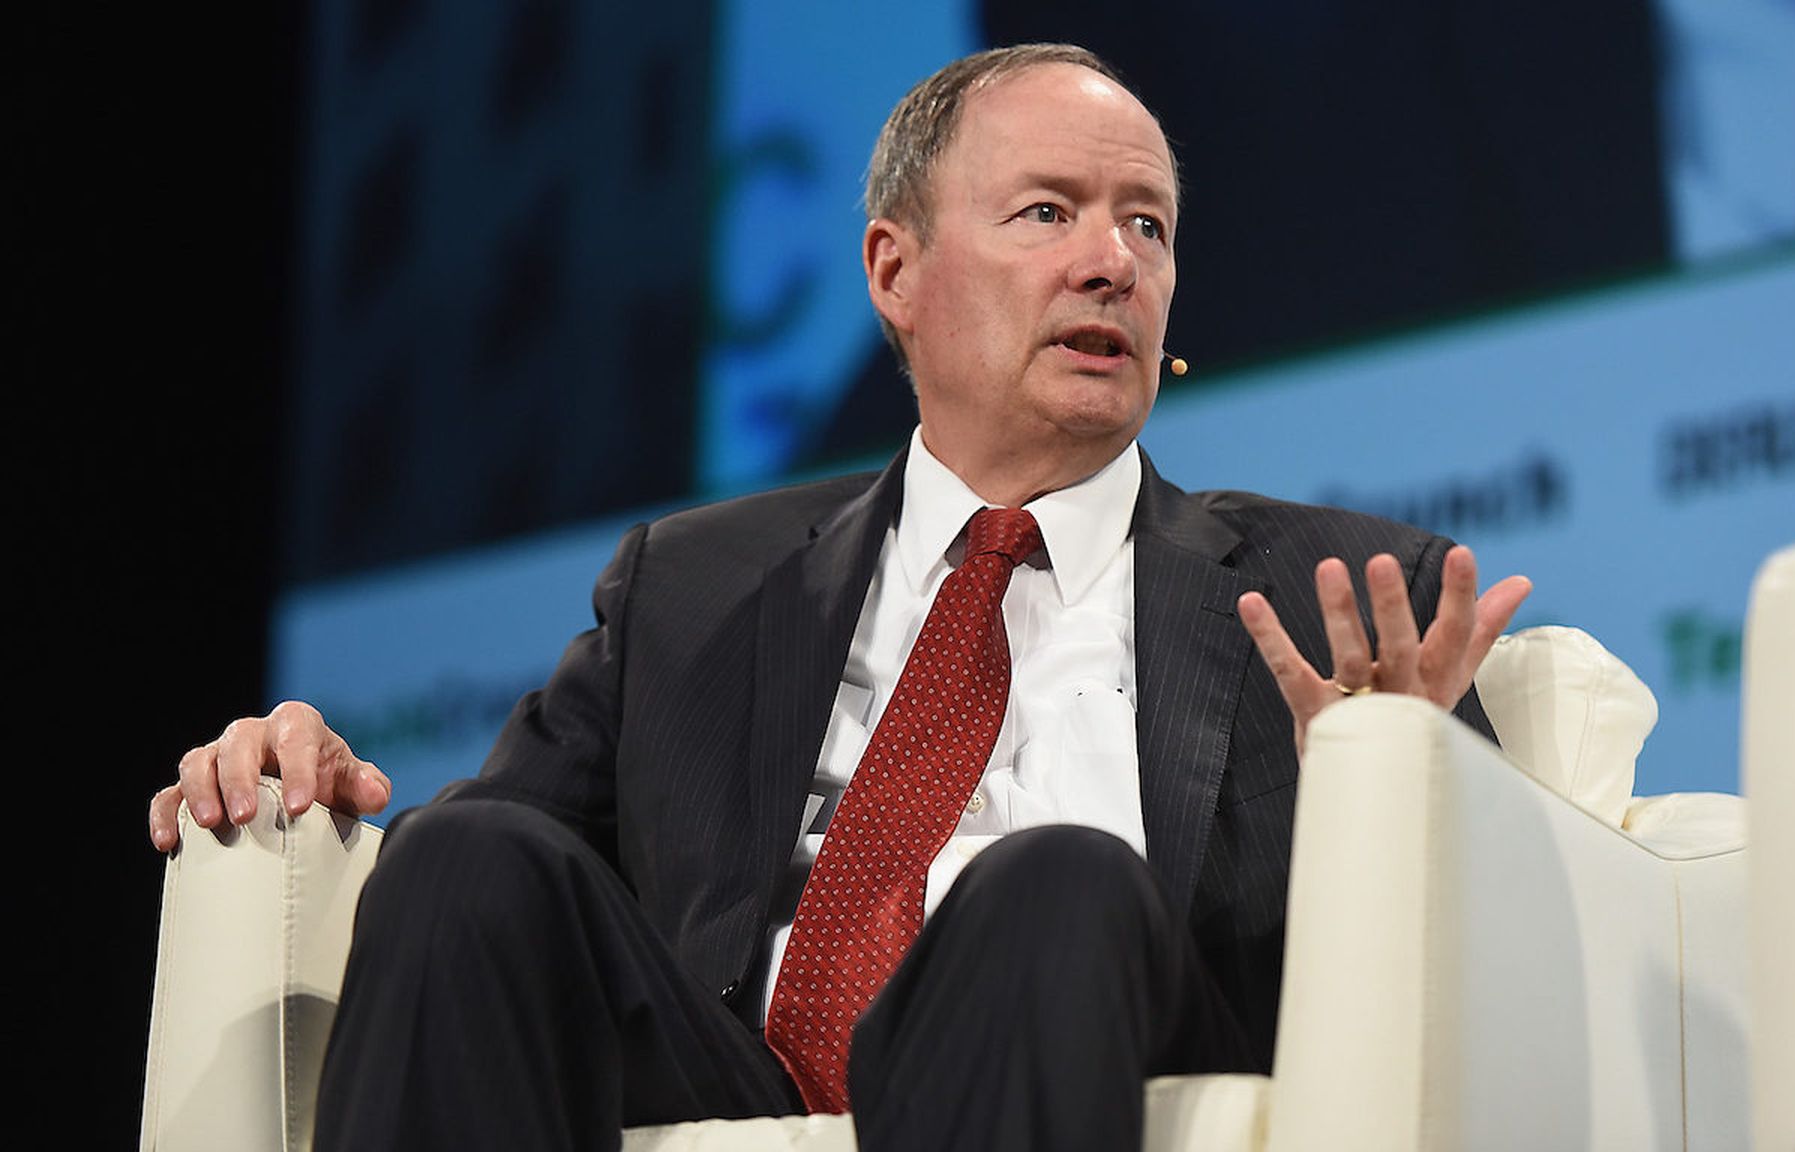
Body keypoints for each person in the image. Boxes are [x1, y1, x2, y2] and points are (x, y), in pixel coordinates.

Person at [148, 43, 1530, 1152]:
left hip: (1084, 1045)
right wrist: (317, 775)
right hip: (747, 1068)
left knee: (1053, 881)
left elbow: (1481, 965)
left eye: (1147, 227)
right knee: (460, 865)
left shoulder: (1337, 591)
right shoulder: (691, 583)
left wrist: (1398, 784)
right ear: (895, 274)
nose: (1113, 261)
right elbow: (488, 894)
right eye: (1048, 213)